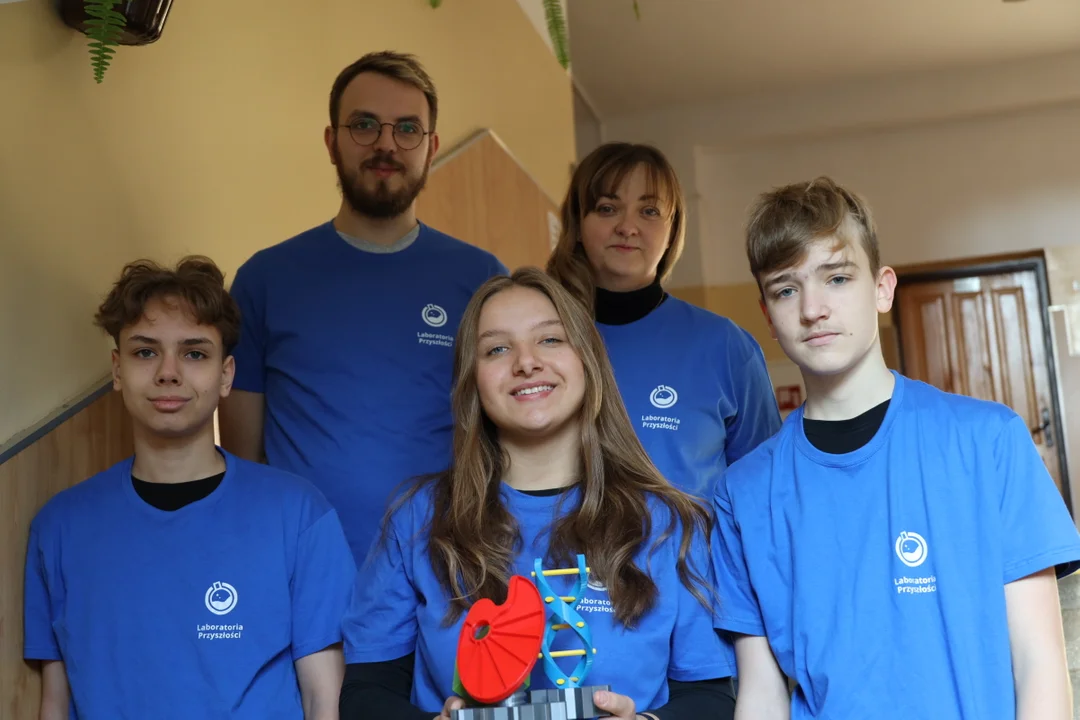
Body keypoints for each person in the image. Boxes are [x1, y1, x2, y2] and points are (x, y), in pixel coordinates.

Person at [711, 176, 1080, 719]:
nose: (813, 308)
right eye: (786, 289)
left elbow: (1040, 663)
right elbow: (762, 695)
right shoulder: (743, 495)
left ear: (882, 289)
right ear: (767, 314)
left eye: (837, 278)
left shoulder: (989, 441)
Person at [338, 268, 736, 720]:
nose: (526, 362)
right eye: (497, 348)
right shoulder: (418, 518)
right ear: (472, 380)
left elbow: (712, 699)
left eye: (550, 339)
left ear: (587, 360)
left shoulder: (668, 523)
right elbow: (364, 694)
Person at [23, 257, 356, 720]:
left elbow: (325, 701)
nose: (169, 372)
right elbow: (54, 704)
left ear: (226, 374)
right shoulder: (59, 528)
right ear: (117, 370)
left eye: (194, 353)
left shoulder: (299, 514)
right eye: (145, 352)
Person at [219, 51, 508, 563]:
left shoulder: (482, 279)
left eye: (407, 129)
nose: (386, 144)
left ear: (431, 148)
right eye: (364, 125)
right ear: (332, 142)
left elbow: (508, 439)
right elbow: (246, 463)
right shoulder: (264, 280)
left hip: (447, 573)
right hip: (306, 573)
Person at [546, 141, 780, 503]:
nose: (627, 227)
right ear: (577, 224)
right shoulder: (541, 342)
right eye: (607, 208)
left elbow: (767, 493)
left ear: (673, 231)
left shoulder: (726, 347)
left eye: (649, 211)